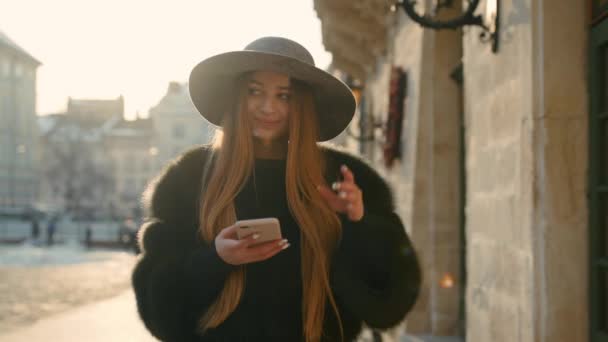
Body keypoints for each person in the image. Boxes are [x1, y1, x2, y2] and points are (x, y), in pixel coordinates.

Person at [132, 37, 421, 342]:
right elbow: (157, 307)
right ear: (236, 96)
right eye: (255, 91)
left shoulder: (344, 178)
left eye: (284, 95)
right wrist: (215, 259)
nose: (269, 107)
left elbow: (390, 305)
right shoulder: (190, 179)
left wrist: (358, 223)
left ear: (303, 104)